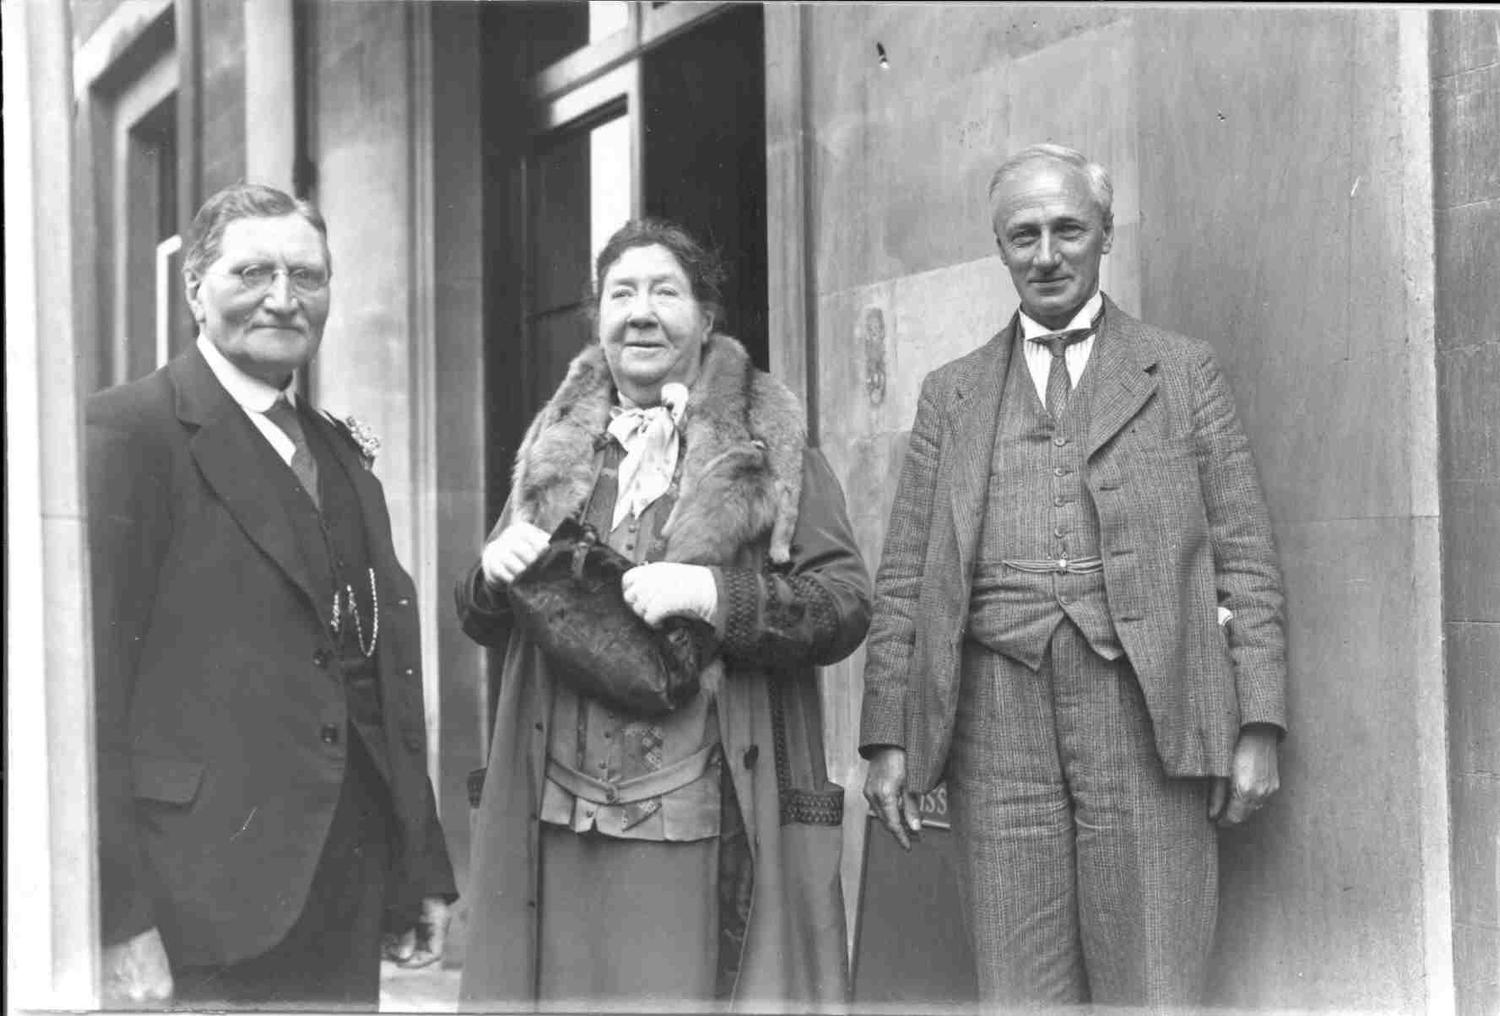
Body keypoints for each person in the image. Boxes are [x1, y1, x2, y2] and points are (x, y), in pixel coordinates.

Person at [860, 143, 1288, 1008]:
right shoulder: (952, 394)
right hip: (992, 717)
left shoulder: (1182, 371)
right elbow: (904, 576)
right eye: (1024, 235)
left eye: (1067, 230)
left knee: (1155, 978)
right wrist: (887, 734)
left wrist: (1260, 722)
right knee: (1019, 986)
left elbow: (1245, 558)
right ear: (1000, 247)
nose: (1046, 255)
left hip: (1146, 707)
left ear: (1105, 235)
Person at [456, 218, 870, 1010]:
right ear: (598, 319)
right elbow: (482, 620)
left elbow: (844, 607)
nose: (640, 313)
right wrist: (491, 572)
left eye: (664, 293)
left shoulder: (767, 447)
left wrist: (716, 596)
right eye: (621, 294)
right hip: (558, 827)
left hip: (704, 828)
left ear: (706, 318)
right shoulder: (555, 448)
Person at [88, 182, 455, 1009]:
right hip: (196, 908)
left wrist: (417, 864)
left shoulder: (338, 452)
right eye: (253, 273)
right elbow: (89, 697)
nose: (283, 300)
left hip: (345, 888)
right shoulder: (129, 433)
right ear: (195, 289)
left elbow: (383, 671)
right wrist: (119, 919)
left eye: (308, 277)